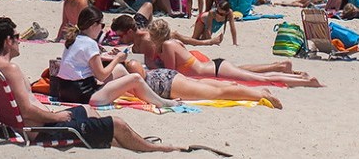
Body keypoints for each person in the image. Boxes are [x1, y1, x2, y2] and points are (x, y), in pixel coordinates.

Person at [0, 17, 185, 152]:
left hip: (30, 126)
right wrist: (57, 116)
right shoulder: (11, 69)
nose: (20, 40)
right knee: (117, 123)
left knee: (87, 110)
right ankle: (155, 149)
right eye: (16, 36)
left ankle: (122, 143)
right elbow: (27, 110)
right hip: (40, 130)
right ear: (8, 41)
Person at [111, 20, 283, 108]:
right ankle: (259, 92)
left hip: (171, 82)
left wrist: (118, 60)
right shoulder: (135, 78)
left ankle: (260, 93)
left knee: (218, 90)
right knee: (218, 88)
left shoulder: (133, 72)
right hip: (171, 81)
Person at [56, 7, 178, 108]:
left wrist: (111, 59)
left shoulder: (74, 39)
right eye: (102, 25)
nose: (102, 29)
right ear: (94, 25)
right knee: (135, 78)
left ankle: (142, 94)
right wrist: (117, 58)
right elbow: (101, 76)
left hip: (64, 91)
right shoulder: (90, 43)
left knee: (120, 69)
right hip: (84, 96)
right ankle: (162, 102)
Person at [148, 19, 321, 87]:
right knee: (257, 77)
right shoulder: (173, 42)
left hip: (214, 70)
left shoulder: (169, 45)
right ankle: (300, 78)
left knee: (261, 80)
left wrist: (153, 63)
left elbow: (171, 73)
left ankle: (305, 81)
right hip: (213, 67)